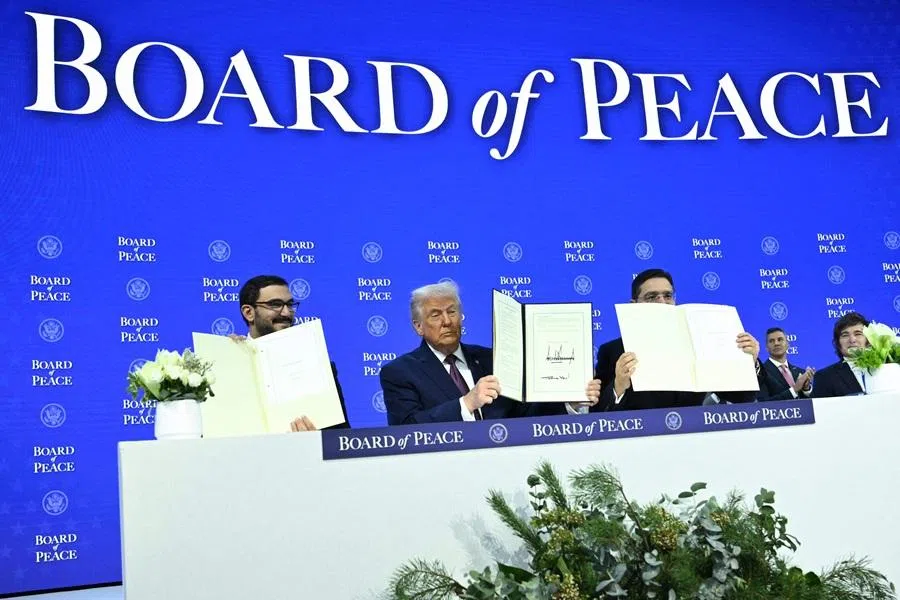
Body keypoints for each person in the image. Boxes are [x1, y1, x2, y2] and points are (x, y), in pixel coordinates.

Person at [381, 281, 601, 424]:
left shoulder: (493, 360)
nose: (447, 321)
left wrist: (569, 402)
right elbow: (406, 428)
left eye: (452, 312)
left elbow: (526, 415)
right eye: (436, 315)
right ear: (418, 326)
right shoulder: (400, 372)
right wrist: (466, 403)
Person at [594, 268, 762, 411]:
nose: (662, 302)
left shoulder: (698, 341)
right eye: (652, 297)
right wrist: (618, 386)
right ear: (633, 304)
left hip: (694, 433)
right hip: (638, 435)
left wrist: (749, 363)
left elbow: (741, 398)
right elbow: (598, 411)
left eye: (667, 296)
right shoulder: (612, 351)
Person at [233, 275, 350, 430]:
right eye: (275, 305)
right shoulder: (228, 364)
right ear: (249, 312)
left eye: (290, 304)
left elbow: (341, 435)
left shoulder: (320, 367)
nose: (286, 313)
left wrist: (318, 437)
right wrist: (228, 354)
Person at [812, 312, 871, 398]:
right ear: (838, 343)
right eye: (845, 335)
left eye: (858, 334)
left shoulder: (885, 369)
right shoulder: (824, 377)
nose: (852, 340)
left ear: (868, 339)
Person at [757, 327, 814, 401]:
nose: (776, 343)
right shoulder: (760, 373)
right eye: (771, 341)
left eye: (780, 339)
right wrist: (794, 389)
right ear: (766, 347)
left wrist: (806, 389)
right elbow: (763, 403)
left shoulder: (800, 372)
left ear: (788, 344)